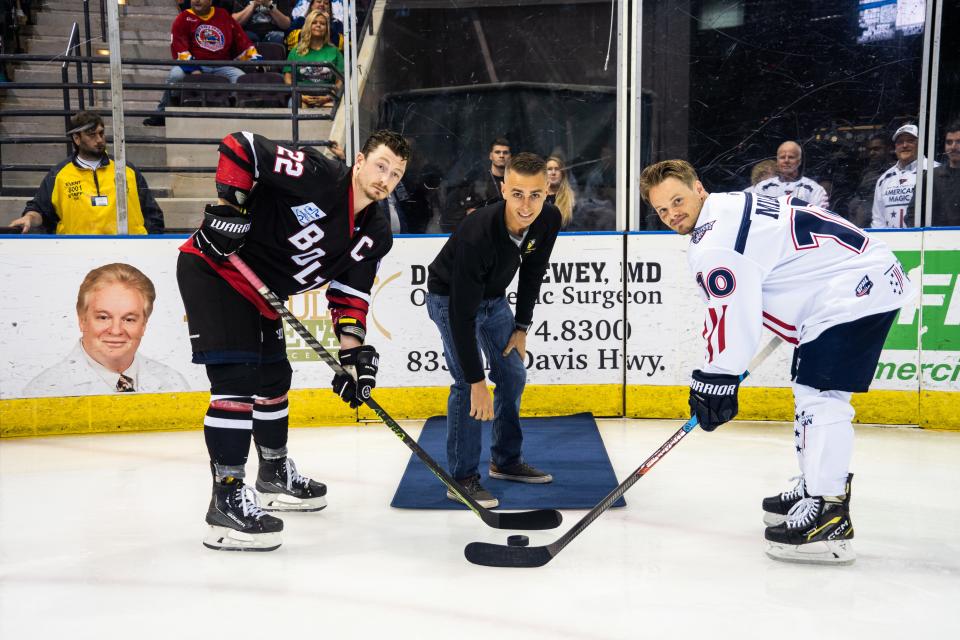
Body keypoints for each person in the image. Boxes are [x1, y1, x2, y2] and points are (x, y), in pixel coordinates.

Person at [639, 159, 916, 565]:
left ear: (698, 188)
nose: (671, 214)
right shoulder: (730, 205)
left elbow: (731, 314)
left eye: (677, 200)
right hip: (850, 282)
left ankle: (828, 513)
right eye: (662, 210)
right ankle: (815, 487)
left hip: (853, 290)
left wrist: (716, 378)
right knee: (811, 391)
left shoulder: (714, 241)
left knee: (821, 397)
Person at [177, 129, 410, 551]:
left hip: (263, 290)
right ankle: (226, 502)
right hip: (217, 270)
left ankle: (273, 475)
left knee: (273, 380)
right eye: (380, 166)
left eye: (395, 174)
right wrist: (233, 207)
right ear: (359, 161)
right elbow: (240, 146)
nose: (385, 179)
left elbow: (350, 295)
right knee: (236, 380)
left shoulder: (376, 230)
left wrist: (351, 356)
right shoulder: (319, 174)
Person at [426, 153, 562, 508]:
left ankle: (505, 460)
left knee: (513, 374)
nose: (526, 204)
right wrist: (476, 383)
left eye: (535, 194)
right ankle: (462, 478)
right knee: (464, 387)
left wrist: (521, 327)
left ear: (547, 190)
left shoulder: (549, 219)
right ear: (503, 189)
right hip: (449, 299)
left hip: (495, 300)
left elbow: (534, 270)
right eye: (517, 193)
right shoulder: (478, 234)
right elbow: (461, 316)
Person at [22, 263, 188, 397]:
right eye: (103, 317)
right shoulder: (44, 391)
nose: (116, 331)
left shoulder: (173, 384)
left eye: (129, 319)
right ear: (82, 320)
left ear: (143, 324)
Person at [9, 112, 164, 234]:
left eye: (101, 133)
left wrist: (147, 243)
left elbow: (152, 213)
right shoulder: (59, 174)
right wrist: (28, 218)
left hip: (128, 252)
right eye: (91, 134)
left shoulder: (126, 170)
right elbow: (39, 210)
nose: (99, 140)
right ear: (76, 138)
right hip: (77, 253)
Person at [143, 0, 260, 127]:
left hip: (222, 65)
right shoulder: (183, 18)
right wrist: (193, 68)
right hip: (195, 64)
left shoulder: (223, 15)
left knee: (240, 78)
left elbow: (241, 39)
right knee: (176, 76)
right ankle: (162, 113)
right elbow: (179, 46)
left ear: (210, 1)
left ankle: (242, 120)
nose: (197, 0)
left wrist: (255, 58)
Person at [871, 123, 939, 228]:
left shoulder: (935, 170)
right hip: (890, 241)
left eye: (910, 141)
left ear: (920, 144)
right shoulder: (884, 179)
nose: (904, 145)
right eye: (900, 142)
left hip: (924, 240)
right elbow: (878, 219)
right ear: (895, 147)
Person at [444, 137, 511, 231]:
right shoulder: (477, 182)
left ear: (510, 156)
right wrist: (468, 213)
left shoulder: (515, 181)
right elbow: (451, 212)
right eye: (497, 152)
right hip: (482, 231)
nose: (501, 155)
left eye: (505, 152)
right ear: (490, 155)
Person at [282, 9, 342, 109]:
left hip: (327, 97)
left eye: (322, 23)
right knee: (297, 107)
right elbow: (288, 79)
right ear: (308, 26)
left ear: (327, 28)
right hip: (301, 96)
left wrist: (328, 97)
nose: (318, 25)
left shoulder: (335, 51)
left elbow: (340, 81)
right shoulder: (295, 51)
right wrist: (301, 96)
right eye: (314, 22)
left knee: (331, 110)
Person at [909, 119, 960, 227]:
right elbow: (912, 215)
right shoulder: (930, 177)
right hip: (936, 242)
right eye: (949, 142)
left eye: (959, 142)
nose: (953, 147)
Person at [754, 140, 829, 208]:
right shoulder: (762, 188)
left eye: (791, 157)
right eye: (782, 157)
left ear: (799, 161)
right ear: (777, 161)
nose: (786, 161)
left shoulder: (814, 189)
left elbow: (819, 219)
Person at [847, 134, 893, 227]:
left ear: (888, 149)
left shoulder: (895, 171)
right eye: (870, 150)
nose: (872, 153)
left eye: (876, 149)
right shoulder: (867, 172)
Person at [545, 155, 576, 228]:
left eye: (557, 169)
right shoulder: (536, 199)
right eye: (549, 169)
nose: (553, 173)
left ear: (562, 174)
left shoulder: (572, 200)